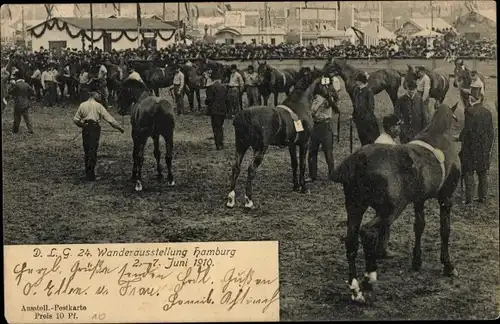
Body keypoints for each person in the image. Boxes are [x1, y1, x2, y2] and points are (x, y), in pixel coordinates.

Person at [73, 91, 124, 181]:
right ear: (94, 95)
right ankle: (91, 175)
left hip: (86, 128)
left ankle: (88, 173)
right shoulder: (98, 106)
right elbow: (109, 119)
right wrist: (119, 127)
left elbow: (76, 120)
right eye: (99, 95)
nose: (100, 96)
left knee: (87, 149)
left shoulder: (82, 105)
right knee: (93, 150)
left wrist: (82, 125)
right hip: (94, 128)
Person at [458, 79, 494, 205]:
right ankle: (483, 197)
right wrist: (487, 148)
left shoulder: (469, 111)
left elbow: (467, 130)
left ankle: (468, 199)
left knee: (468, 172)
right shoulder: (488, 112)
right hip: (483, 148)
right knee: (482, 172)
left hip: (470, 147)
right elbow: (491, 133)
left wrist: (459, 138)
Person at [306, 85, 338, 182]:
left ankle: (332, 175)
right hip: (316, 126)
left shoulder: (324, 100)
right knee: (312, 151)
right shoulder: (315, 99)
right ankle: (312, 175)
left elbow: (312, 112)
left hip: (324, 126)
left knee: (328, 152)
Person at [394, 80, 427, 144]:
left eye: (413, 89)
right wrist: (401, 126)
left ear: (416, 89)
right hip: (405, 131)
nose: (411, 91)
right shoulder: (401, 100)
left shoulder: (419, 100)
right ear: (407, 88)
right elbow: (396, 114)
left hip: (417, 131)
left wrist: (423, 131)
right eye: (410, 89)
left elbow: (424, 116)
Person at [352, 72, 380, 145]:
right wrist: (354, 115)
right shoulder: (356, 90)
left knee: (370, 138)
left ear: (361, 81)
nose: (356, 82)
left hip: (367, 120)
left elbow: (371, 107)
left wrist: (366, 117)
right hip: (359, 119)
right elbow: (355, 104)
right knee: (362, 137)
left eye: (357, 80)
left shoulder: (368, 91)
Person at [205, 77, 228, 150]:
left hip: (214, 111)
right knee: (220, 127)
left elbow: (209, 99)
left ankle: (218, 144)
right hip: (223, 110)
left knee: (215, 128)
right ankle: (221, 143)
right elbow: (227, 99)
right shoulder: (224, 87)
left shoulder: (211, 88)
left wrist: (206, 102)